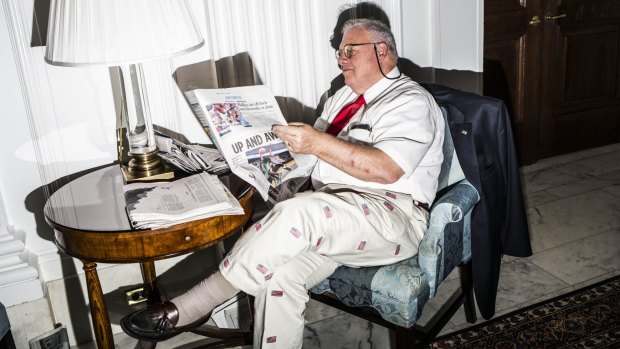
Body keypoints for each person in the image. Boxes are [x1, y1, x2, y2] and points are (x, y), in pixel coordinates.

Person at [121, 18, 445, 348]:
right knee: (276, 277)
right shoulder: (341, 97)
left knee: (300, 212)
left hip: (393, 218)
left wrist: (315, 142)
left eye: (350, 50)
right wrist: (262, 155)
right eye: (339, 51)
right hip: (335, 217)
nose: (340, 58)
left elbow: (387, 169)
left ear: (382, 50)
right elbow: (313, 159)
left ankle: (194, 306)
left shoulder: (409, 101)